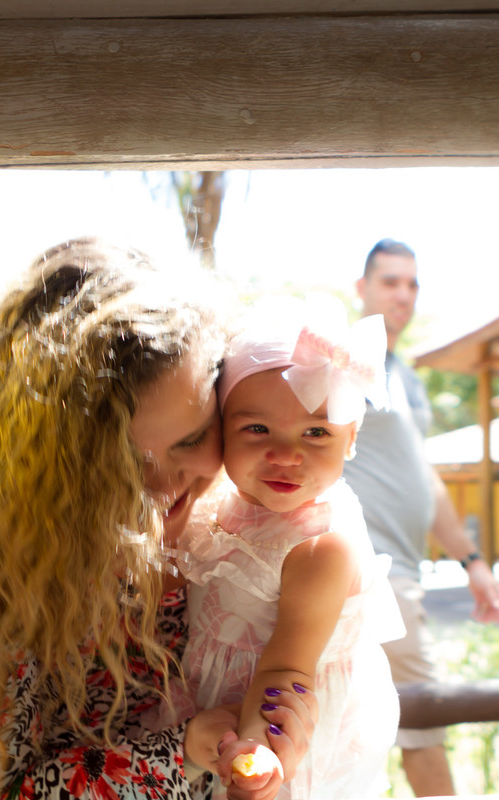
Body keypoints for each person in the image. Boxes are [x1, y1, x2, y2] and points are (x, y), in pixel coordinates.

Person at [0, 239, 316, 800]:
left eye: (194, 438)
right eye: (120, 470)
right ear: (48, 472)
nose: (169, 488)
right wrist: (183, 752)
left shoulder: (236, 524)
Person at [155, 298, 403, 800]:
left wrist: (255, 753)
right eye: (257, 429)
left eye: (316, 433)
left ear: (350, 439)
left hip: (278, 722)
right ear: (219, 428)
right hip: (203, 707)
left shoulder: (319, 547)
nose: (287, 454)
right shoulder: (212, 504)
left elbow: (286, 670)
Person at [342, 238, 499, 797]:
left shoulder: (406, 377)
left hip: (406, 574)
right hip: (368, 573)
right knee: (423, 718)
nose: (404, 294)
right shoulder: (340, 361)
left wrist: (474, 561)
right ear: (362, 289)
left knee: (409, 721)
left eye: (412, 284)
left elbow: (426, 480)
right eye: (390, 281)